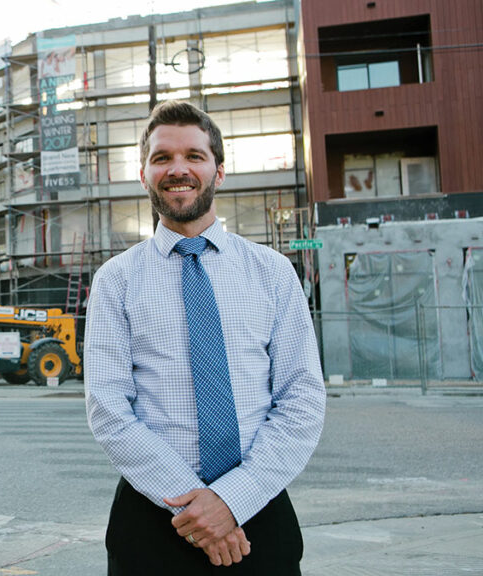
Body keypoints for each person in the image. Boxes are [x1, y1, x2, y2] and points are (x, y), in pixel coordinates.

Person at [85, 100, 325, 575]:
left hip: (259, 511)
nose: (179, 169)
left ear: (219, 170)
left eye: (194, 155)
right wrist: (197, 511)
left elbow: (302, 398)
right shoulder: (117, 280)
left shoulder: (273, 273)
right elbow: (109, 408)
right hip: (151, 520)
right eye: (162, 158)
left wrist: (231, 501)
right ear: (144, 174)